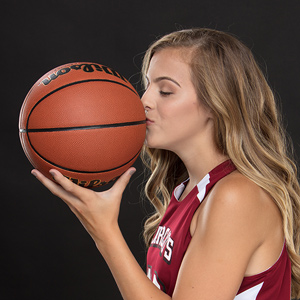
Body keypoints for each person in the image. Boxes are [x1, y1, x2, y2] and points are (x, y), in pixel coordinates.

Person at [31, 28, 300, 300]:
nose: (144, 100)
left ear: (216, 104)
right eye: (147, 86)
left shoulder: (237, 197)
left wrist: (105, 232)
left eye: (166, 91)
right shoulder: (189, 190)